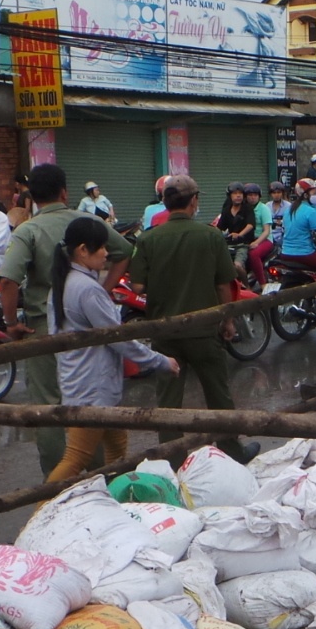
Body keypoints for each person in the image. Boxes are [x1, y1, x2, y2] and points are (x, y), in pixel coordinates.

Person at [0, 162, 134, 477]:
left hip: (43, 328)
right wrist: (100, 292)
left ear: (31, 196)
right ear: (64, 192)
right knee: (90, 401)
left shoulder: (28, 230)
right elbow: (124, 251)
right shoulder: (86, 220)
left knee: (49, 406)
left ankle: (58, 480)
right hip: (86, 326)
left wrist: (10, 324)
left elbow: (7, 281)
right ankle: (100, 475)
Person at [128, 175, 255, 462]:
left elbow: (136, 287)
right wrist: (228, 321)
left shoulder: (148, 239)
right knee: (218, 395)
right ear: (194, 201)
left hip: (165, 334)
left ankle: (171, 460)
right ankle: (232, 451)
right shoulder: (210, 236)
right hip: (204, 331)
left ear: (165, 203)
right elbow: (225, 284)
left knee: (169, 402)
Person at [45, 217, 178, 482]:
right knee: (76, 459)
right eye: (102, 247)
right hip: (92, 390)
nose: (107, 253)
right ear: (83, 250)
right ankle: (40, 511)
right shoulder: (87, 289)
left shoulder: (62, 284)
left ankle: (116, 501)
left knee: (117, 446)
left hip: (81, 382)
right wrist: (161, 361)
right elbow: (120, 338)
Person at [248, 180, 294, 286]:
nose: (276, 195)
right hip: (269, 235)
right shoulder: (267, 206)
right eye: (274, 193)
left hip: (281, 237)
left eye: (278, 192)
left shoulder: (288, 206)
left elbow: (289, 225)